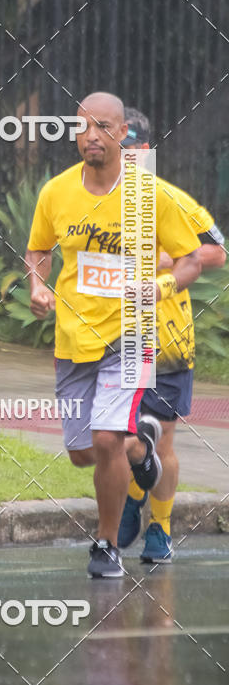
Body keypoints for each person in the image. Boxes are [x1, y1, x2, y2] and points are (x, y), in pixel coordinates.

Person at [25, 92, 202, 578]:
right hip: (73, 339)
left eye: (102, 127)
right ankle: (142, 453)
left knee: (106, 439)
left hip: (132, 336)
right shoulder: (56, 193)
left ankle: (106, 545)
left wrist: (159, 287)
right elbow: (38, 249)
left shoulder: (151, 196)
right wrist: (38, 287)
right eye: (82, 128)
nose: (90, 137)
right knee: (84, 452)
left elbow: (192, 259)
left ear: (123, 134)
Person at [118, 107, 226, 562]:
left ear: (145, 151)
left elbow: (217, 252)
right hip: (111, 337)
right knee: (115, 436)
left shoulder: (170, 200)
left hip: (165, 338)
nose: (125, 159)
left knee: (162, 438)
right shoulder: (86, 199)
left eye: (131, 150)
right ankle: (132, 494)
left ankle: (159, 528)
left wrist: (168, 259)